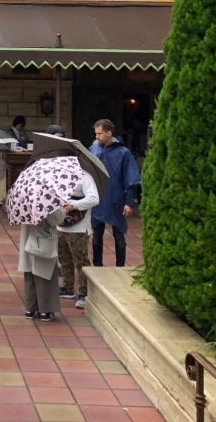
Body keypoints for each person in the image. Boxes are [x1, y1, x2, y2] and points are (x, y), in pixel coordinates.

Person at [89, 119, 141, 267]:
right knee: (96, 235)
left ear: (109, 133)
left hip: (117, 198)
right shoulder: (93, 150)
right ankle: (97, 266)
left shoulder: (123, 153)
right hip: (98, 198)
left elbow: (130, 178)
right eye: (96, 134)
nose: (97, 137)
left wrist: (129, 202)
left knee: (119, 236)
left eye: (100, 133)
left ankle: (120, 267)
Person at [57, 170, 99, 309]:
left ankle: (84, 292)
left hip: (79, 228)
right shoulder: (58, 176)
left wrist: (73, 205)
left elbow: (94, 198)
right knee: (64, 259)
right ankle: (67, 287)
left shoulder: (85, 177)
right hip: (61, 226)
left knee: (80, 260)